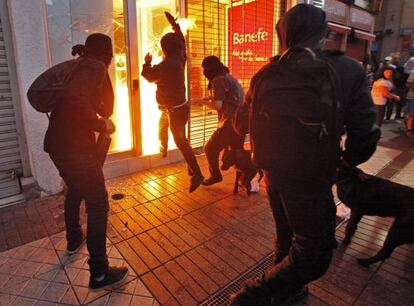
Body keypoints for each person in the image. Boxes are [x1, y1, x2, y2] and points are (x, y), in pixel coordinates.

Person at [231, 4, 380, 305]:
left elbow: (238, 123)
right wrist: (344, 162)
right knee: (315, 253)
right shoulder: (347, 69)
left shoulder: (266, 73)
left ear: (282, 35)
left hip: (273, 172)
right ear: (324, 34)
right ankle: (253, 295)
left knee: (288, 239)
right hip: (312, 179)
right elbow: (365, 135)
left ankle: (287, 292)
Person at [44, 33, 128, 291]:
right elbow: (92, 107)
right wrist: (101, 124)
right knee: (98, 203)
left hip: (57, 145)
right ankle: (100, 274)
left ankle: (73, 239)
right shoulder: (93, 66)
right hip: (75, 149)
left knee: (76, 189)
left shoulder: (82, 66)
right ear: (107, 54)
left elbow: (104, 105)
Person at [141, 32, 204, 192]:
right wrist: (176, 28)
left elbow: (148, 76)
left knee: (181, 142)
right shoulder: (180, 58)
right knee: (162, 125)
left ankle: (197, 174)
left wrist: (147, 62)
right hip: (175, 108)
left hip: (174, 111)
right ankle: (163, 147)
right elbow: (181, 42)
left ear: (165, 49)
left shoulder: (167, 65)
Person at [193, 56, 245, 185]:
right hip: (240, 121)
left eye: (205, 69)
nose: (204, 72)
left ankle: (216, 175)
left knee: (210, 148)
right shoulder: (227, 76)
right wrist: (207, 98)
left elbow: (218, 105)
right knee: (237, 152)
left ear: (210, 69)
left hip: (229, 122)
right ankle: (244, 178)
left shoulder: (218, 80)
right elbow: (223, 97)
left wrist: (201, 102)